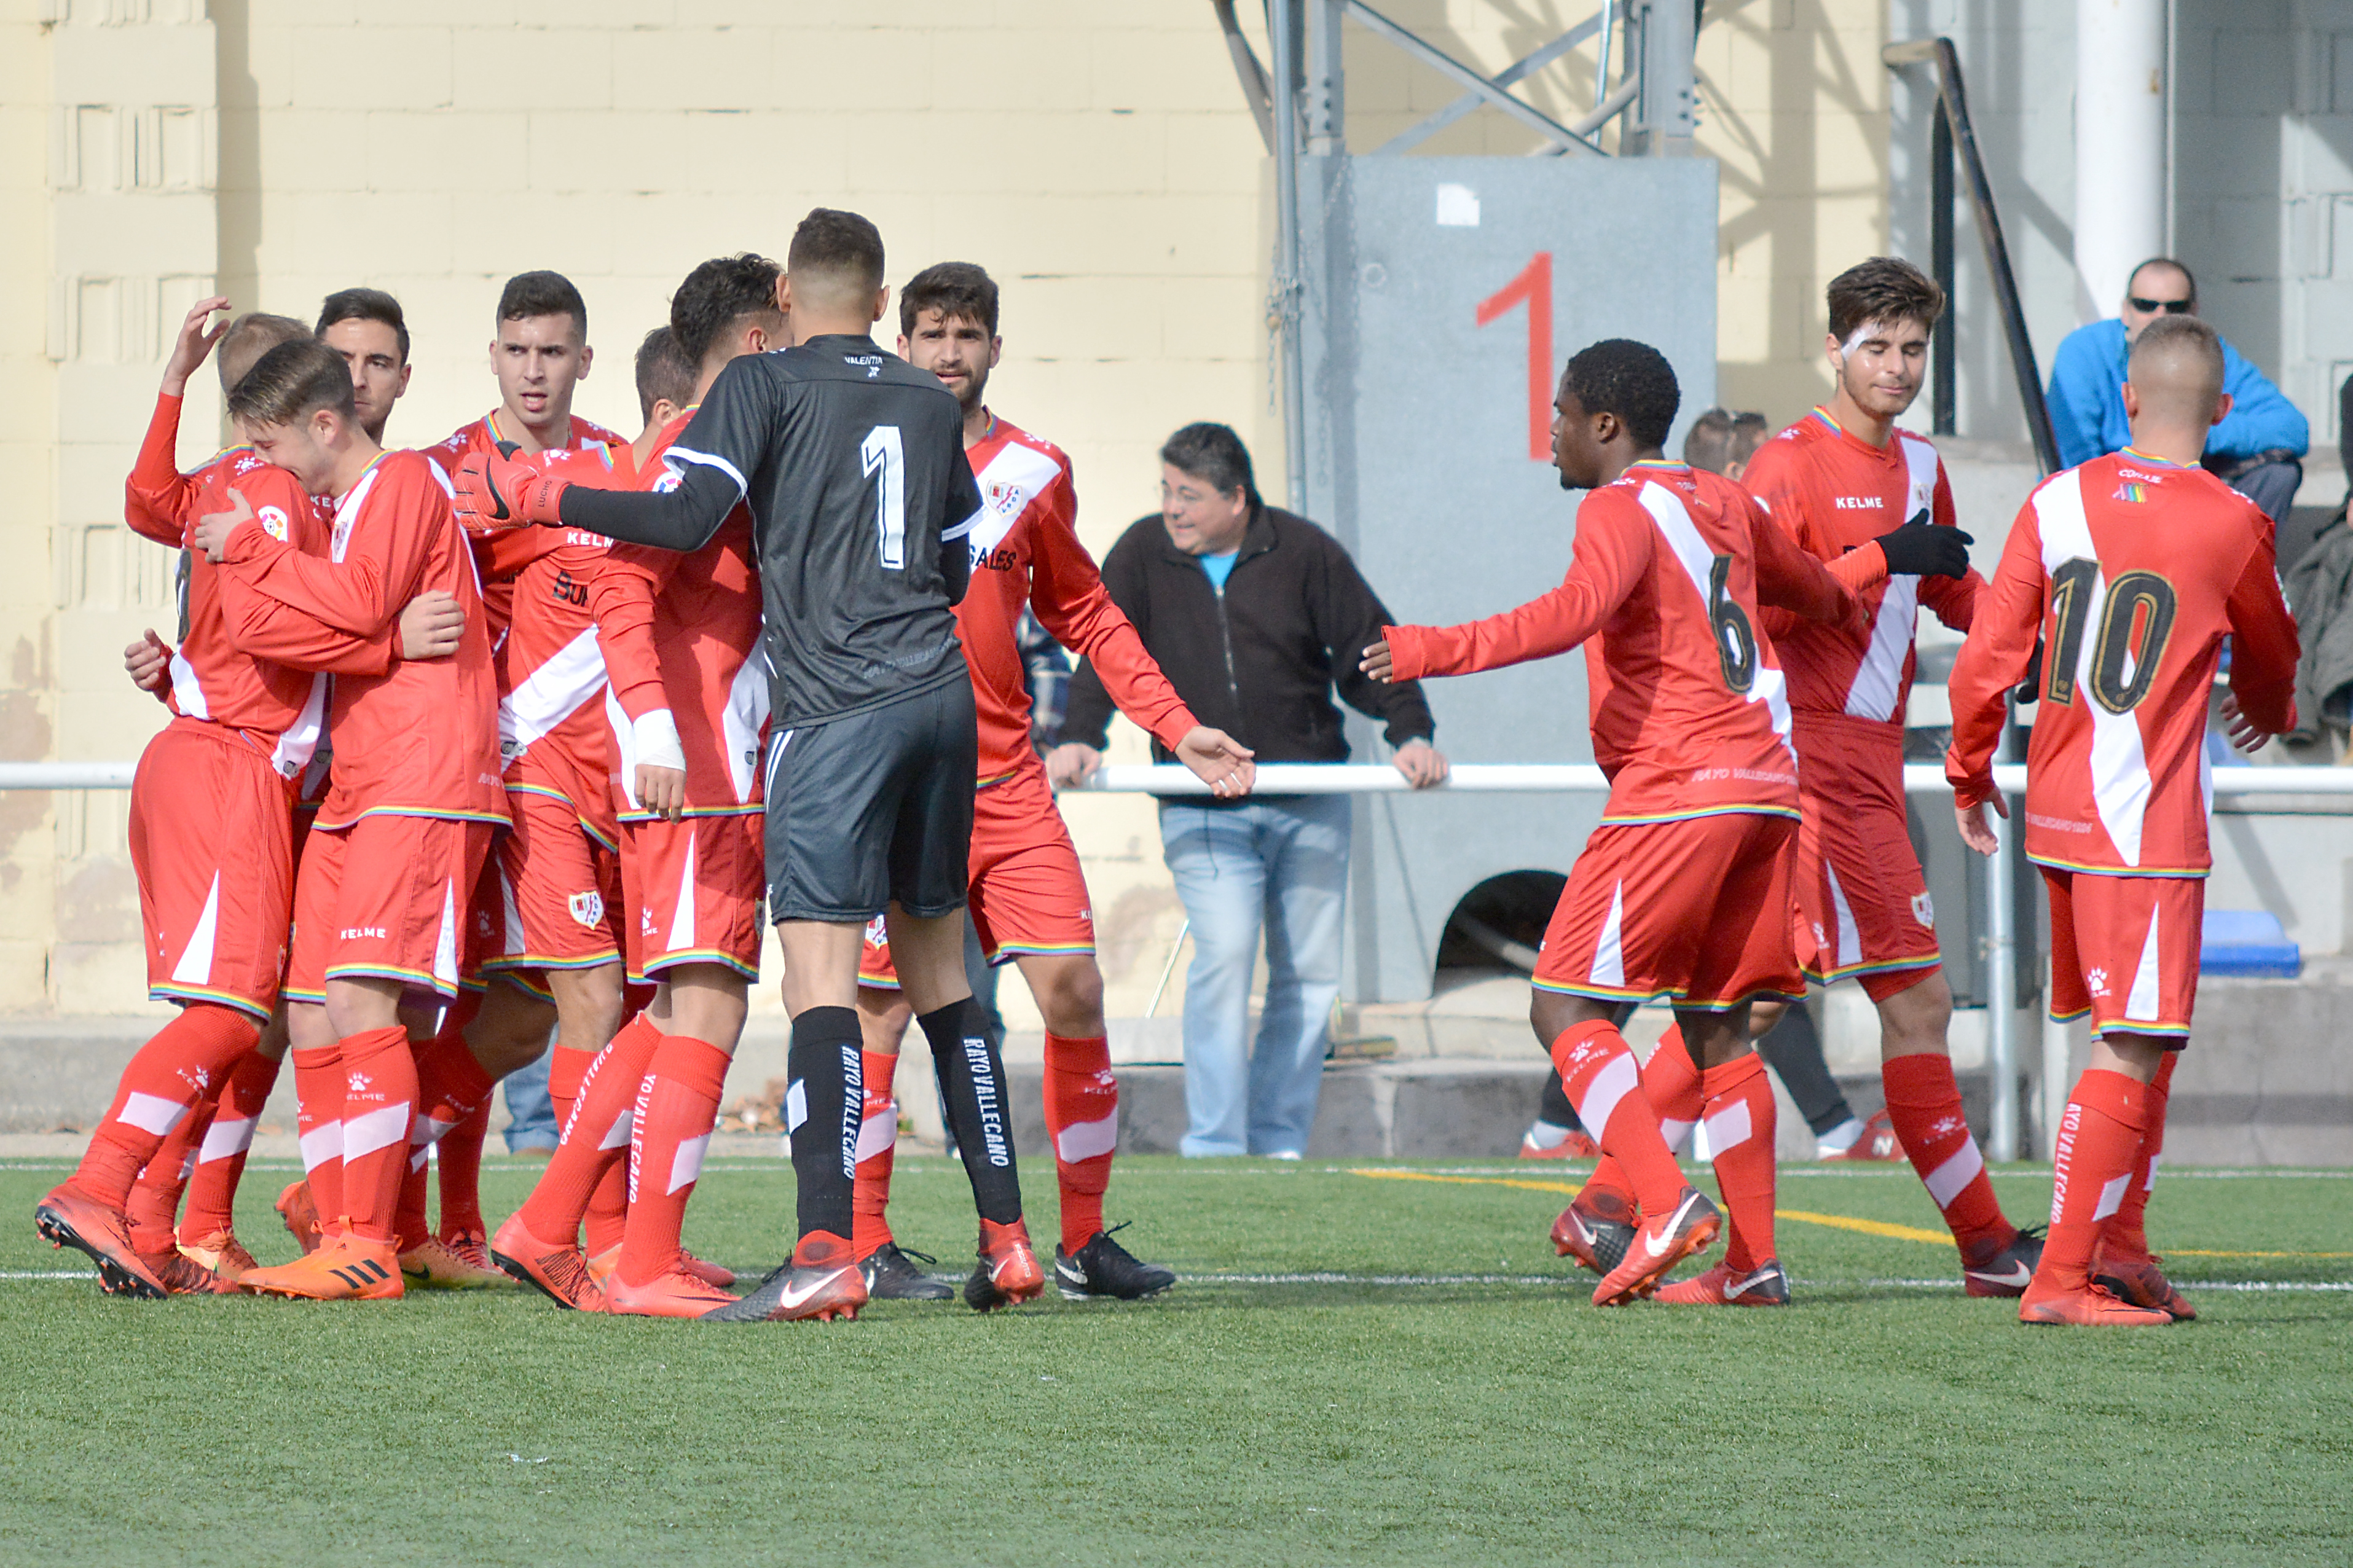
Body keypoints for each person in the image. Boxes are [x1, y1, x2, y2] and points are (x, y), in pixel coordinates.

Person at [1362, 339, 1863, 1307]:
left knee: (1560, 1003)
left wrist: (1427, 648)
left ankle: (1666, 1202)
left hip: (1680, 788)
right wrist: (1892, 553)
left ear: (1604, 424)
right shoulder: (1727, 503)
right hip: (1767, 788)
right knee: (1718, 1028)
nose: (1547, 434)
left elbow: (1573, 612)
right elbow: (1827, 596)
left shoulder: (1618, 505)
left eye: (1557, 415)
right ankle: (1754, 1267)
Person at [34, 305, 465, 1298]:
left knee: (238, 1011)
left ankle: (157, 1227)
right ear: (287, 406)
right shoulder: (273, 485)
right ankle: (109, 1186)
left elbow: (148, 503)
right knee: (240, 1013)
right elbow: (278, 626)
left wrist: (168, 381)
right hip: (234, 765)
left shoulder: (230, 483)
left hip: (205, 755)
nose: (355, 389)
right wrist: (391, 640)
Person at [847, 261, 1255, 1304]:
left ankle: (1080, 1242)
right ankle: (864, 1241)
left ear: (994, 347)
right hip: (894, 789)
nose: (947, 352)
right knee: (880, 1016)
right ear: (901, 345)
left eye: (966, 334)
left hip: (1007, 787)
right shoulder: (862, 456)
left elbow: (1085, 612)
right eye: (930, 332)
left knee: (1072, 989)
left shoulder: (1032, 469)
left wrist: (1175, 725)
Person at [1948, 313, 2299, 1326]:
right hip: (2139, 823)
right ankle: (2058, 1278)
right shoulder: (2233, 519)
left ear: (2127, 401)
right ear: (2223, 413)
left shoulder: (2054, 498)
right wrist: (2267, 714)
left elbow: (1987, 654)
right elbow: (2271, 663)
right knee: (2132, 1040)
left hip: (2056, 809)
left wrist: (1969, 765)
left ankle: (2121, 1245)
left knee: (2145, 1033)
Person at [1729, 256, 2046, 1293]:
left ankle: (1985, 1246)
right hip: (1802, 763)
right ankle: (1618, 1191)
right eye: (1876, 347)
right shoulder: (1780, 466)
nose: (1896, 366)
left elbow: (1947, 586)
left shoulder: (1919, 464)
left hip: (1865, 769)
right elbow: (1760, 613)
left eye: (1912, 349)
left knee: (1879, 1003)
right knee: (1787, 1004)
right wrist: (1881, 556)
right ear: (1833, 348)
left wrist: (2029, 635)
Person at [183, 337, 503, 1301]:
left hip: (424, 775)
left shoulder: (401, 482)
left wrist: (251, 548)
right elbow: (295, 625)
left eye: (275, 448)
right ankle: (344, 1226)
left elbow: (351, 603)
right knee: (315, 1004)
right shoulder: (335, 510)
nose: (268, 469)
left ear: (326, 426)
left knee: (366, 1003)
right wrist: (375, 633)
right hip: (359, 781)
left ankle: (364, 1244)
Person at [493, 265, 783, 1319]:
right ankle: (637, 1255)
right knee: (702, 995)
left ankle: (551, 1223)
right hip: (697, 764)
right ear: (759, 338)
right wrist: (657, 727)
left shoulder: (724, 434)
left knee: (676, 1003)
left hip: (717, 756)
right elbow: (622, 581)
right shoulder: (699, 440)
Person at [1051, 424, 1447, 1159]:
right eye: (1166, 490)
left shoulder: (1303, 551)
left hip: (1309, 798)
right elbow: (1106, 651)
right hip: (1203, 806)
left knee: (1309, 976)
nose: (1172, 508)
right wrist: (1082, 734)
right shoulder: (1142, 553)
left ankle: (1278, 1142)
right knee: (1226, 952)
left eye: (1189, 495)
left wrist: (1410, 731)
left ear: (1237, 499)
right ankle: (1214, 1143)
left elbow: (1371, 646)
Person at [2046, 257, 2309, 522]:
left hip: (2190, 490)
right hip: (2117, 492)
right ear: (2126, 311)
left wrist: (2195, 431)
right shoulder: (2083, 351)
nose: (2160, 318)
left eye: (2176, 307)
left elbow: (2293, 429)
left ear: (2193, 311)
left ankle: (2233, 561)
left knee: (2279, 475)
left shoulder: (2209, 352)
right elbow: (2075, 464)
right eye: (2146, 306)